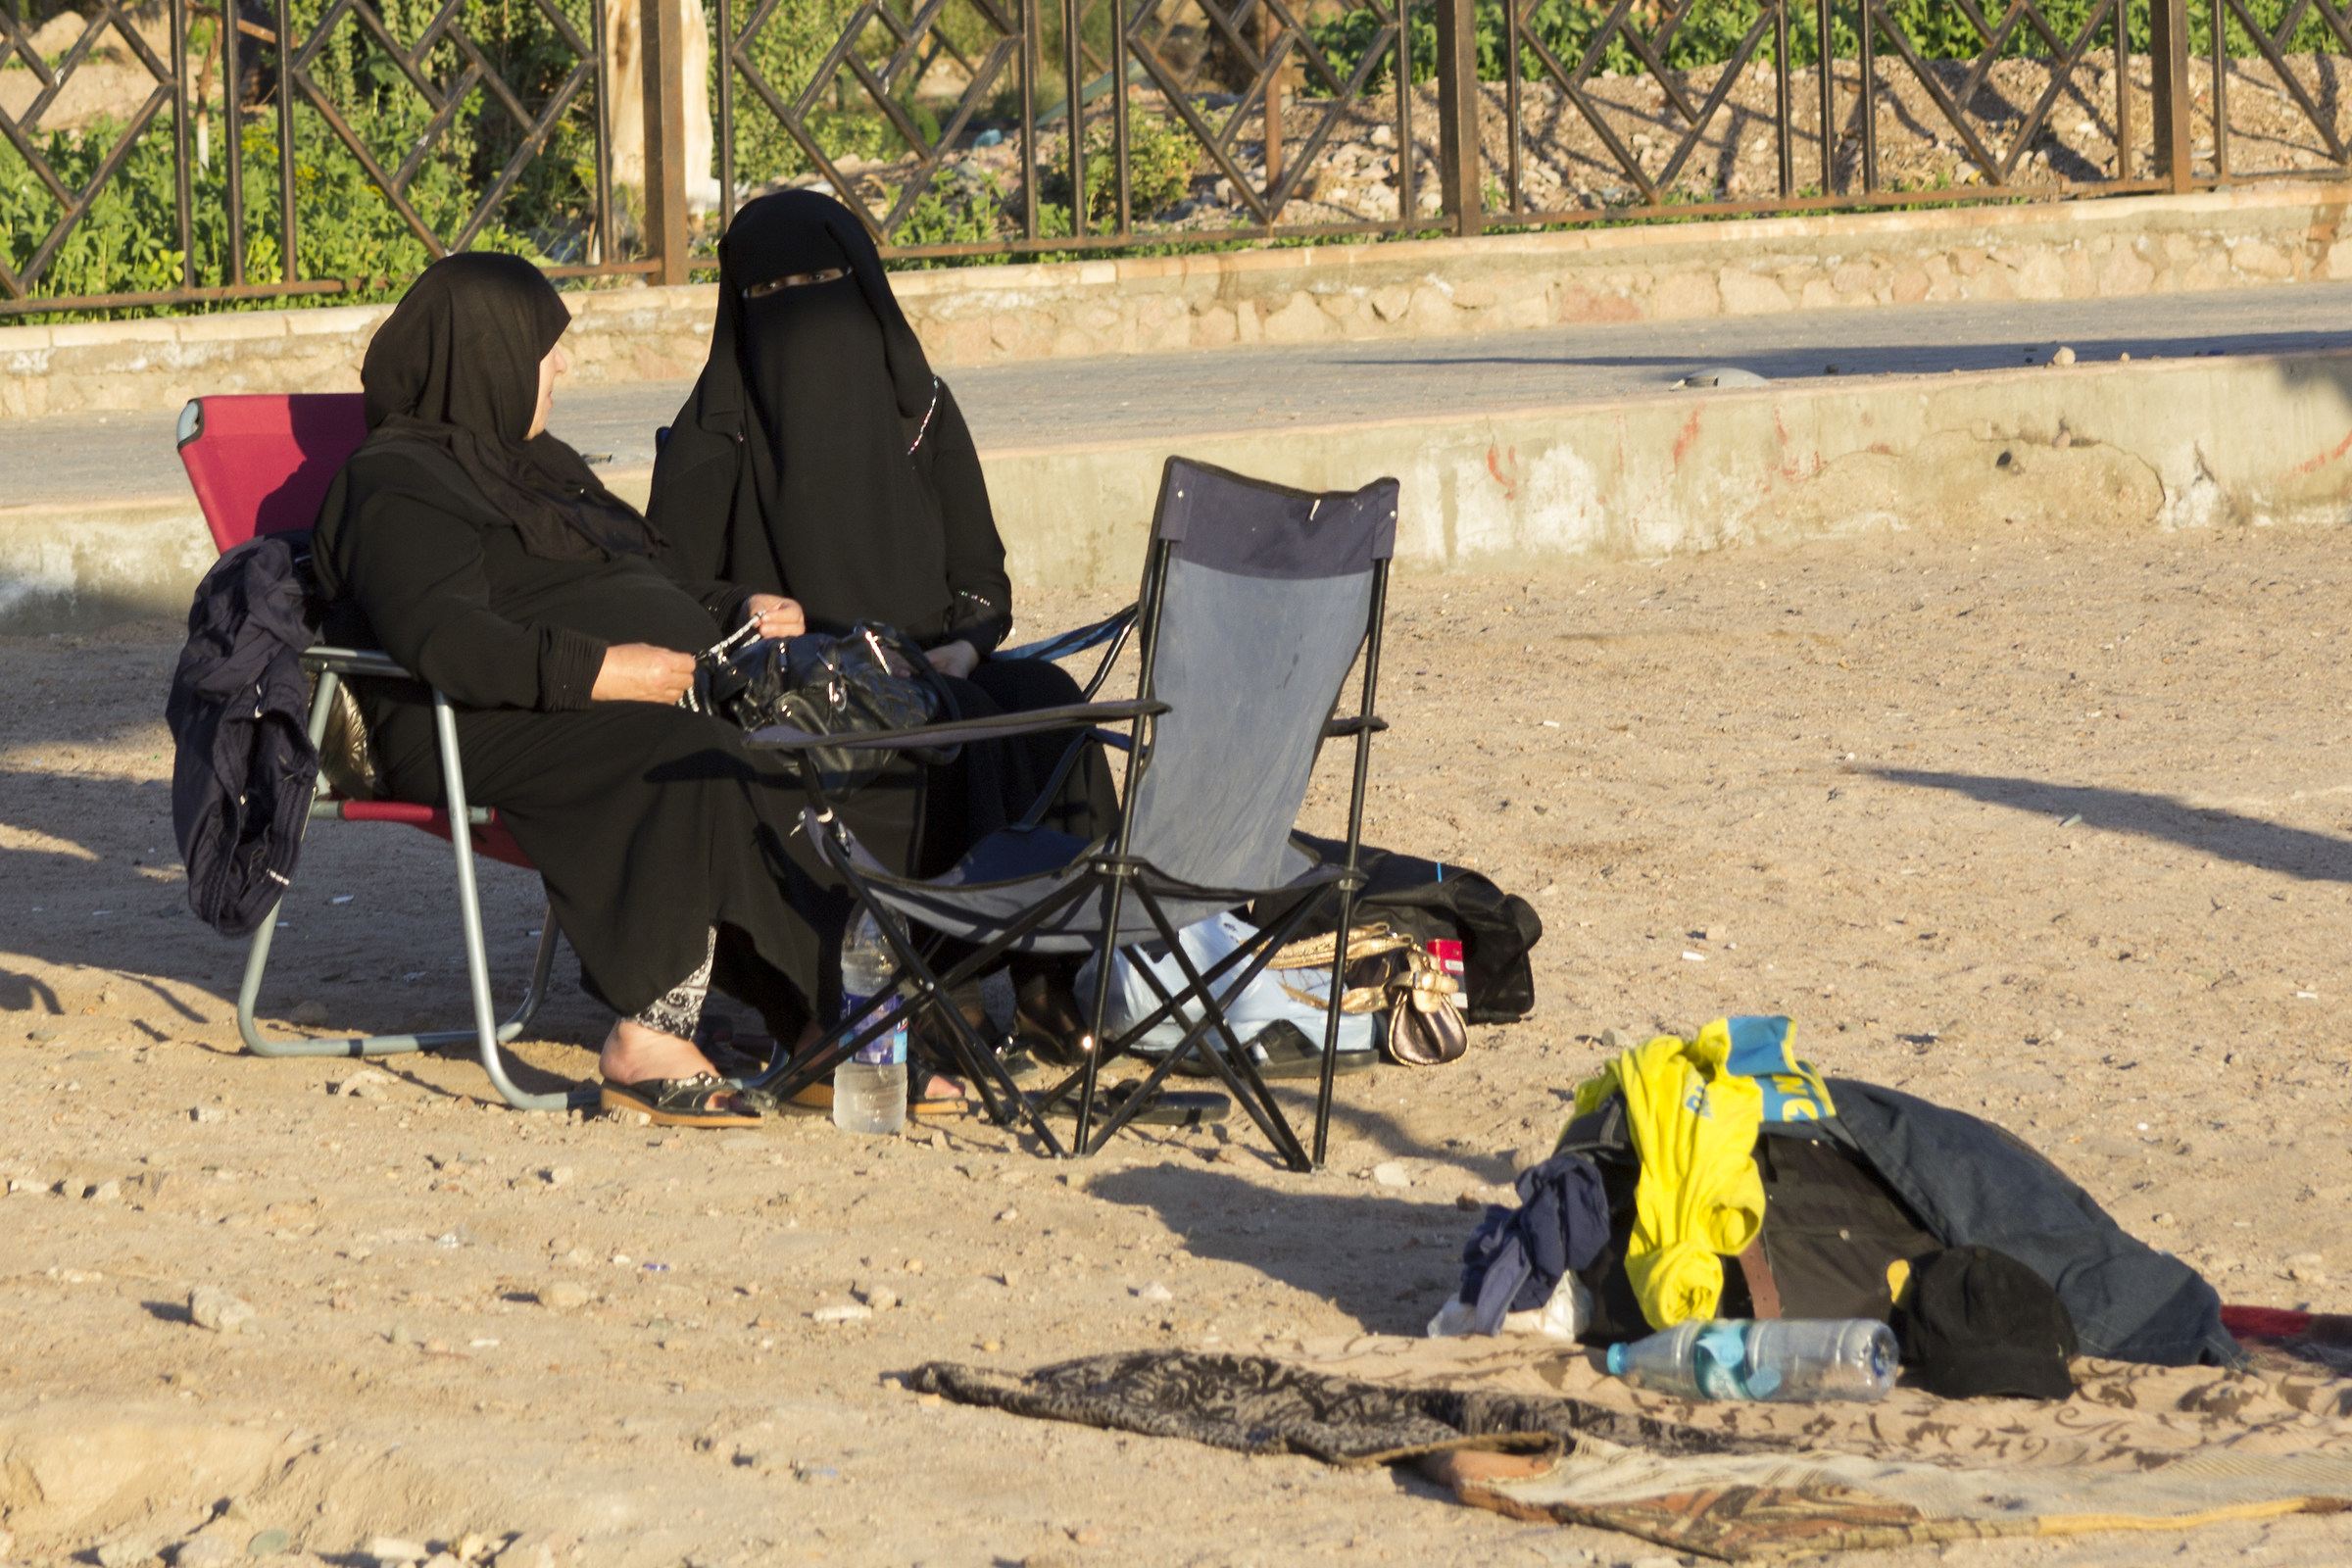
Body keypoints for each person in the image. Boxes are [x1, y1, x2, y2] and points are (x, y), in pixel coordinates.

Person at [311, 252, 938, 1128]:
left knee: (792, 751)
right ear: (484, 358)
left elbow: (647, 570)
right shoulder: (395, 482)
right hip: (466, 718)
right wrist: (606, 673)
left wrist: (736, 607)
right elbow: (443, 637)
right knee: (690, 758)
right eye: (546, 348)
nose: (563, 366)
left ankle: (819, 1024)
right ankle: (646, 1038)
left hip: (589, 699)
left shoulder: (531, 460)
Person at [645, 189, 1115, 866]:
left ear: (860, 284)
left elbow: (980, 572)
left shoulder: (917, 412)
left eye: (817, 282)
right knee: (957, 722)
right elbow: (662, 586)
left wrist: (966, 646)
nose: (798, 305)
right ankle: (955, 943)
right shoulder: (716, 435)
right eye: (770, 289)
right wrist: (740, 605)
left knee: (1049, 703)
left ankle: (1080, 944)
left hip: (929, 660)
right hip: (804, 693)